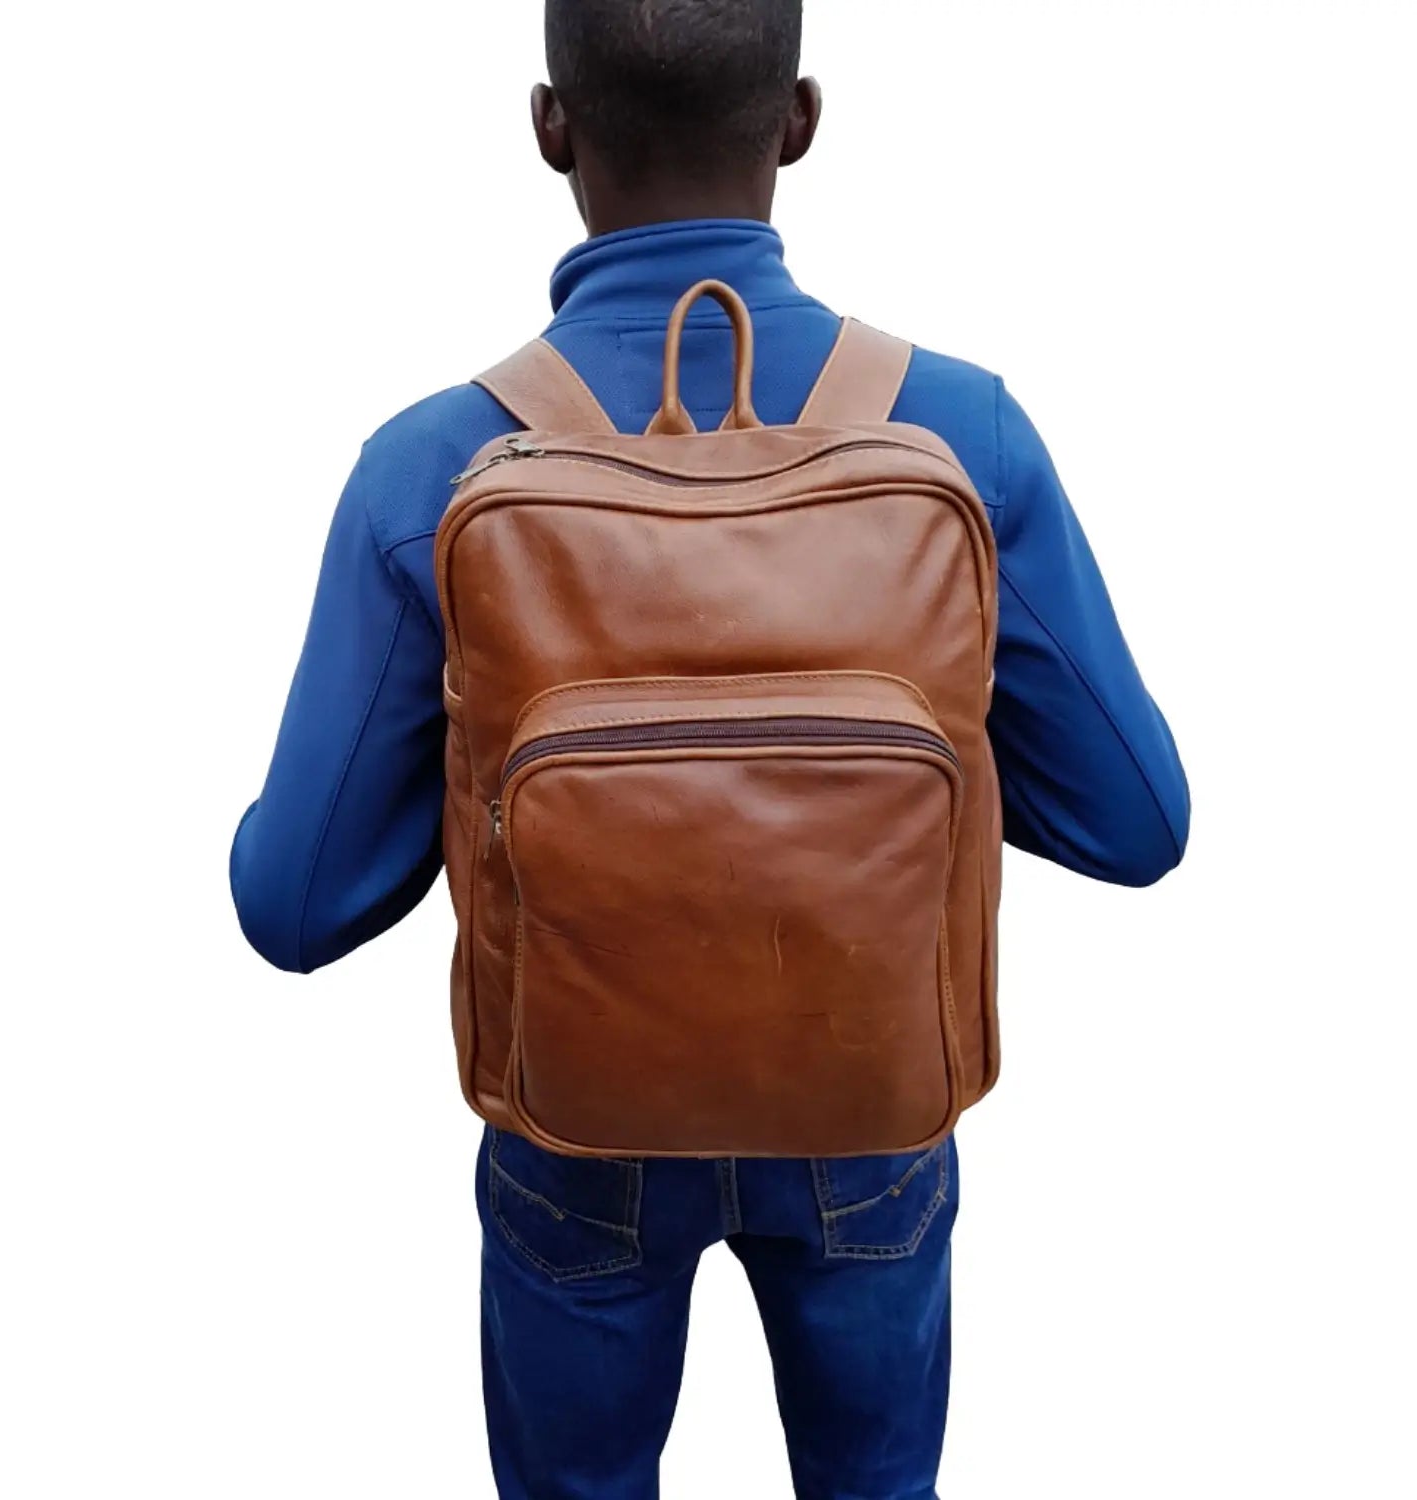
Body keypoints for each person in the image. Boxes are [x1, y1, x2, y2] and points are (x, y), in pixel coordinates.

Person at [230, 2, 1190, 1494]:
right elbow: (1138, 822)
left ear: (551, 127)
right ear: (799, 120)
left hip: (579, 1118)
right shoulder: (966, 437)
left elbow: (292, 907)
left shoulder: (429, 470)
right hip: (867, 1094)